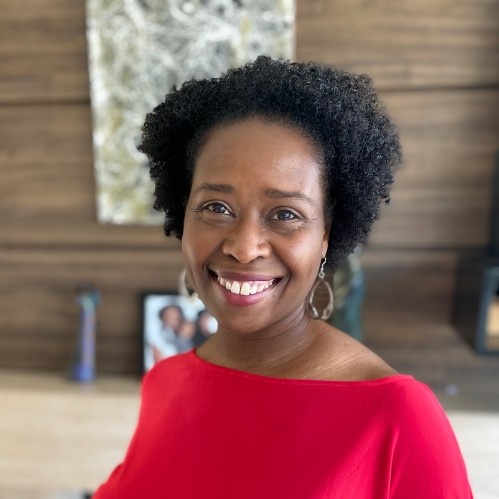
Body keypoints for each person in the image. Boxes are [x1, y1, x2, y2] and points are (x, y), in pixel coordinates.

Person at [94, 56, 472, 498]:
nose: (244, 246)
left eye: (286, 214)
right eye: (216, 207)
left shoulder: (396, 417)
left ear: (326, 235)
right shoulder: (166, 383)